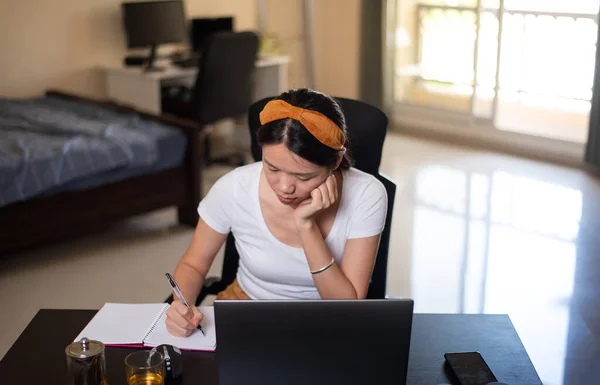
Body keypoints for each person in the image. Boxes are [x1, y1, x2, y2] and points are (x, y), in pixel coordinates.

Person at [165, 88, 387, 337]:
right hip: (245, 308)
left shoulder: (367, 194)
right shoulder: (235, 187)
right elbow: (194, 265)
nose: (284, 188)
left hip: (326, 322)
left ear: (335, 162)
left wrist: (307, 226)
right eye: (271, 167)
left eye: (303, 176)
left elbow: (347, 308)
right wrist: (181, 306)